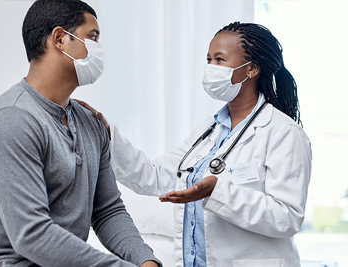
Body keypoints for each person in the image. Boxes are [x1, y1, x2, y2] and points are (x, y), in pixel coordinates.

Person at [78, 22, 312, 267]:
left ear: (251, 69)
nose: (210, 68)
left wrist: (218, 192)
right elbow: (156, 176)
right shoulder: (209, 130)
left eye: (220, 60)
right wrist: (107, 135)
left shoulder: (283, 132)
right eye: (208, 59)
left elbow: (287, 217)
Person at [0, 1, 161, 267]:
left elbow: (107, 210)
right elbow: (32, 235)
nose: (99, 48)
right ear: (60, 39)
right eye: (92, 37)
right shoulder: (11, 119)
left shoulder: (91, 123)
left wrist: (147, 262)